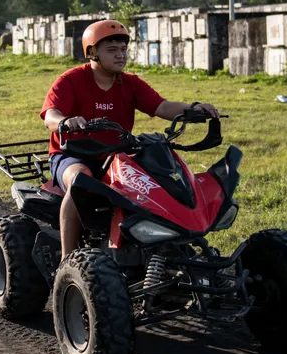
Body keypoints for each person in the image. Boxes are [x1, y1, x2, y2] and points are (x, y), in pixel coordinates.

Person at [39, 19, 220, 264]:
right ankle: (68, 260)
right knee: (80, 180)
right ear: (92, 52)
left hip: (116, 155)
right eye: (111, 50)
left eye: (123, 49)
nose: (120, 55)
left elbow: (162, 106)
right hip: (72, 154)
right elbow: (50, 114)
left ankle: (167, 249)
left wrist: (193, 108)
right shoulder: (71, 80)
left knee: (158, 182)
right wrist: (64, 121)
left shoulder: (130, 83)